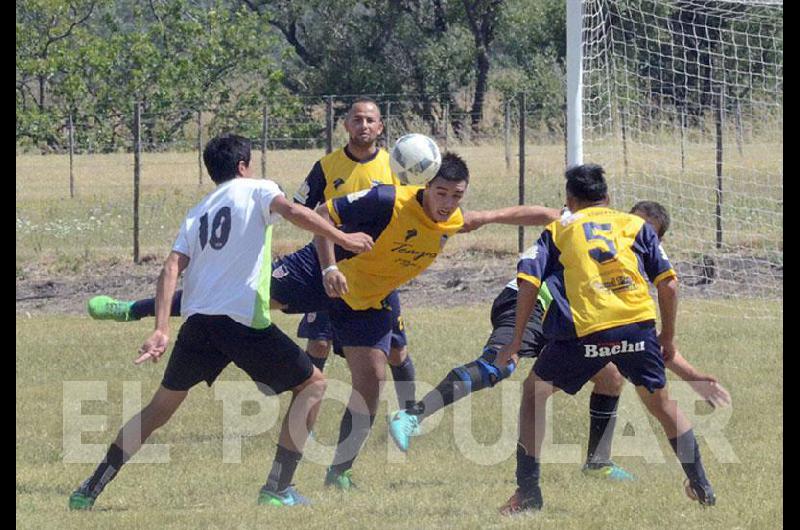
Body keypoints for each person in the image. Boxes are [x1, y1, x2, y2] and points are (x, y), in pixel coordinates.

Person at [67, 134, 373, 510]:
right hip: (241, 320)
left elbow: (170, 268)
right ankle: (278, 489)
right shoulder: (259, 188)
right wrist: (343, 237)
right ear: (244, 166)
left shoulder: (198, 210)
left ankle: (89, 490)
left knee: (158, 410)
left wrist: (161, 328)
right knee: (313, 384)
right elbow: (295, 212)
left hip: (200, 321)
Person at [86, 98, 419, 411]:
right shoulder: (327, 166)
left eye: (370, 120)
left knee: (395, 349)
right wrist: (333, 245)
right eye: (357, 119)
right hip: (319, 264)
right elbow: (300, 209)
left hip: (374, 274)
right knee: (280, 320)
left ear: (380, 127)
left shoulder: (394, 168)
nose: (363, 125)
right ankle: (133, 309)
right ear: (345, 125)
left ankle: (409, 417)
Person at [268, 152, 561, 490]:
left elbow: (503, 214)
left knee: (371, 380)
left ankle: (339, 473)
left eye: (457, 195)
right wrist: (329, 267)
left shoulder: (451, 221)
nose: (448, 203)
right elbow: (322, 214)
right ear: (426, 185)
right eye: (441, 193)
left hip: (367, 300)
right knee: (242, 307)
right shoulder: (387, 199)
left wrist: (562, 216)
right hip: (320, 271)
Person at [388, 201, 730, 482]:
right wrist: (484, 216)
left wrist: (694, 377)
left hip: (568, 324)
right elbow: (541, 213)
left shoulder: (631, 271)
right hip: (533, 301)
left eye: (649, 235)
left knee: (610, 377)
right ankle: (412, 416)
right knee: (500, 365)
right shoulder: (586, 226)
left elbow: (649, 346)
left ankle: (598, 463)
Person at [494, 164, 716, 515]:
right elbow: (669, 284)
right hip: (637, 327)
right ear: (608, 198)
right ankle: (701, 484)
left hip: (585, 331)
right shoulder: (635, 226)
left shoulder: (559, 229)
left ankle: (528, 493)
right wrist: (667, 337)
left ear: (570, 200)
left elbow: (528, 282)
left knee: (534, 393)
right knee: (662, 404)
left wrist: (514, 340)